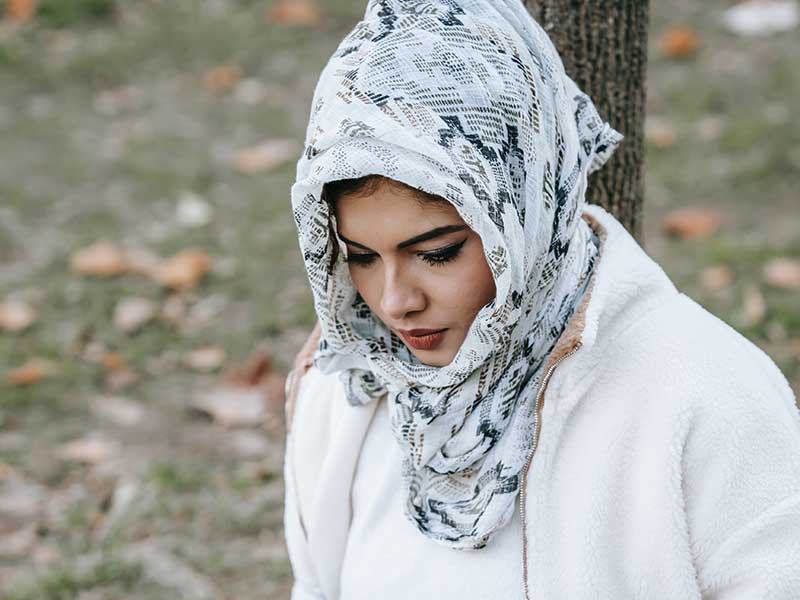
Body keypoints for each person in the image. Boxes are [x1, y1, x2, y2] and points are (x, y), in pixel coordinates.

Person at [283, 1, 800, 599]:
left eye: (437, 253)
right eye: (362, 257)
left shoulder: (707, 398)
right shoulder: (347, 385)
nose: (395, 302)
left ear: (525, 217)